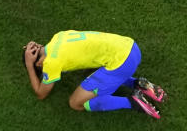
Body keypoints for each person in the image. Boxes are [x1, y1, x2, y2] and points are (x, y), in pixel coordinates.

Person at [23, 30, 166, 118]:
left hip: (121, 64)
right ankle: (137, 84)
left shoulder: (51, 63)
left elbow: (41, 94)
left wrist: (30, 65)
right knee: (90, 70)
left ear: (39, 64)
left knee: (75, 103)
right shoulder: (58, 37)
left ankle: (133, 102)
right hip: (130, 46)